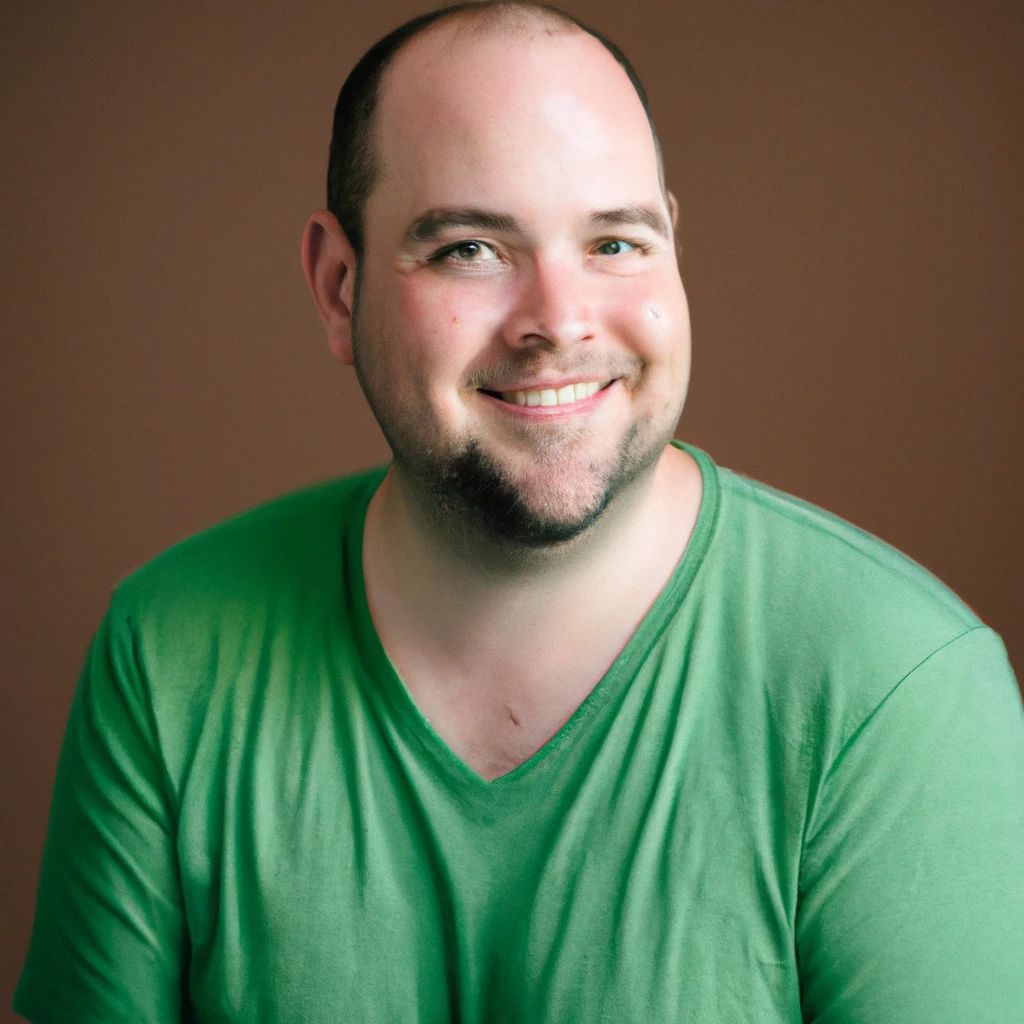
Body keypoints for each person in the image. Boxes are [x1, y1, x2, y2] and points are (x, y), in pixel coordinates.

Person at [14, 2, 1024, 1022]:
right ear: (336, 285)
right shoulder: (169, 653)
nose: (557, 321)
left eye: (616, 243)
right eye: (468, 248)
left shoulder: (894, 686)